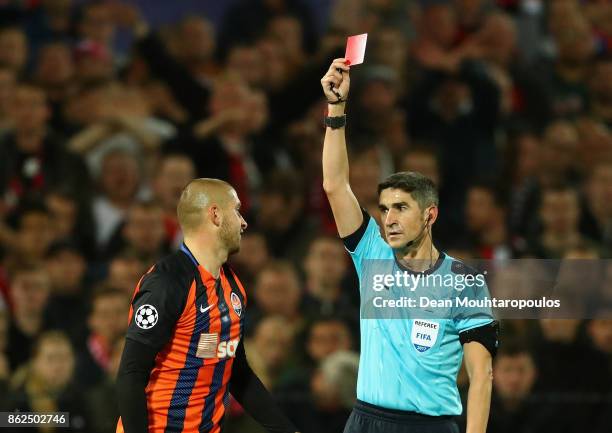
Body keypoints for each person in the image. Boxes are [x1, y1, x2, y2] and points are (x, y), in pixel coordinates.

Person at [320, 58, 498, 433]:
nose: (390, 218)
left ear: (430, 215)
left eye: (401, 208)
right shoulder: (372, 255)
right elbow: (335, 185)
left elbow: (481, 376)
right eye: (384, 209)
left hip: (429, 426)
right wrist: (336, 109)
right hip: (365, 420)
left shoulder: (463, 283)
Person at [115, 178, 298, 433]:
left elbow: (237, 371)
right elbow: (131, 373)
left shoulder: (233, 286)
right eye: (236, 210)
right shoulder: (167, 282)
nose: (244, 222)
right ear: (215, 215)